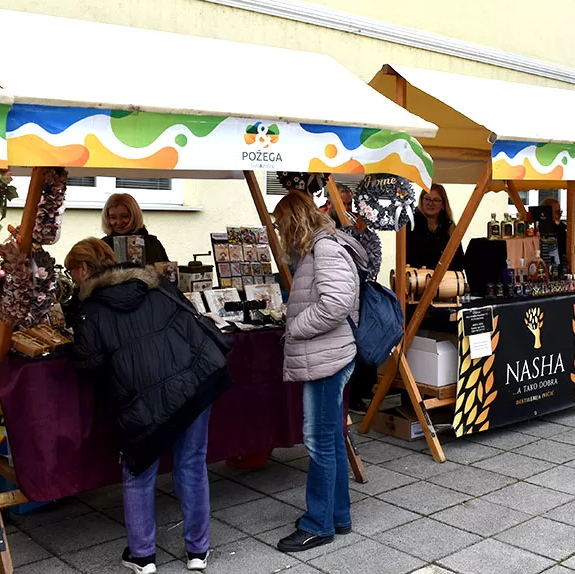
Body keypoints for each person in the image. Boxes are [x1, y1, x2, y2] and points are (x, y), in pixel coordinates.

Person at [66, 238, 231, 573]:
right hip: (193, 382)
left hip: (143, 398)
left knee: (139, 468)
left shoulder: (91, 311)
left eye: (72, 274)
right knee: (192, 464)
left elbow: (88, 366)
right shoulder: (155, 286)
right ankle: (197, 552)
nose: (73, 282)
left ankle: (143, 556)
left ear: (83, 270)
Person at [272, 191, 367, 553]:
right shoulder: (318, 248)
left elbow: (336, 303)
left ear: (294, 221)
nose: (280, 233)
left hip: (328, 357)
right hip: (327, 355)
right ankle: (337, 516)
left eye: (281, 225)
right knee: (328, 439)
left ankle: (319, 524)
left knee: (319, 441)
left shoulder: (324, 249)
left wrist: (296, 326)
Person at [407, 184, 465, 271]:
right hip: (416, 278)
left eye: (436, 200)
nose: (431, 203)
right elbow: (407, 256)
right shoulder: (411, 224)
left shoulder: (449, 226)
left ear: (443, 204)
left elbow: (458, 259)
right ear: (421, 201)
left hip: (446, 279)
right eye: (427, 199)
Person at [102, 193, 170, 264]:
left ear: (135, 216)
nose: (119, 222)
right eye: (113, 217)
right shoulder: (101, 247)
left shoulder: (153, 243)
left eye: (125, 216)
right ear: (107, 218)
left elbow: (167, 271)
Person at [540, 198, 568, 270]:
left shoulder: (561, 229)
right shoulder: (541, 231)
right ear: (547, 213)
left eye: (560, 212)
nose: (560, 215)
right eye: (557, 212)